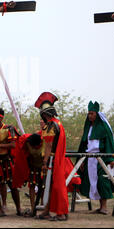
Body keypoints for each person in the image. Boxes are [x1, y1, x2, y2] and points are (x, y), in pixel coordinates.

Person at [77, 101, 114, 215]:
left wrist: (110, 159)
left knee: (102, 180)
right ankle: (100, 207)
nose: (90, 116)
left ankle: (104, 207)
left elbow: (109, 143)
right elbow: (84, 144)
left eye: (92, 113)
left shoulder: (103, 127)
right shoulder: (88, 127)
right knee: (92, 181)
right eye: (88, 114)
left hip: (102, 158)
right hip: (89, 159)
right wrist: (81, 160)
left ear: (96, 114)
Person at [34, 92, 69, 221]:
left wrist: (44, 162)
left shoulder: (51, 125)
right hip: (55, 159)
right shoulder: (58, 123)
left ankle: (61, 213)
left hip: (52, 159)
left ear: (44, 114)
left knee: (55, 186)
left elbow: (48, 146)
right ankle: (47, 210)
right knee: (50, 186)